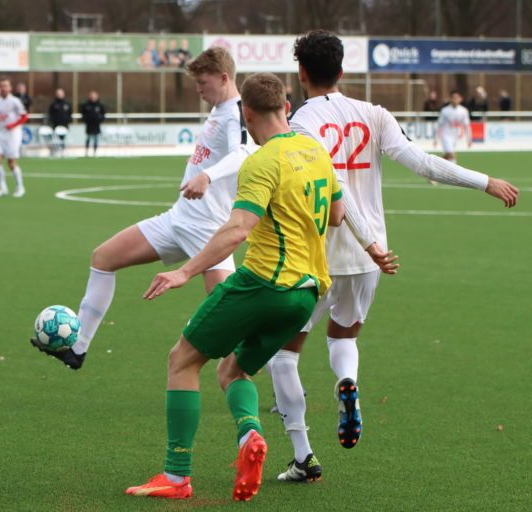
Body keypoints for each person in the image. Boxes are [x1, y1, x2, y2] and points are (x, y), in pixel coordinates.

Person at [262, 30, 518, 483]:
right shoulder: (374, 114)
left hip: (320, 253)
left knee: (283, 355)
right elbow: (423, 163)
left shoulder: (301, 123)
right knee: (344, 338)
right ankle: (347, 383)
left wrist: (367, 242)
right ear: (341, 71)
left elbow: (334, 188)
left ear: (302, 74)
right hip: (369, 258)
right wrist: (484, 181)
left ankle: (303, 456)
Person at [125, 73, 344, 501]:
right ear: (286, 105)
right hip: (305, 295)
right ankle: (250, 436)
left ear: (245, 113)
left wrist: (183, 272)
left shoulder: (261, 161)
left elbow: (238, 229)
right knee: (234, 369)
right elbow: (336, 216)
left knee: (182, 360)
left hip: (261, 284)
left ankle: (175, 475)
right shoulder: (316, 151)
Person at [31, 46, 247, 371]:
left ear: (224, 77)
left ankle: (276, 385)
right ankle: (77, 349)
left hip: (207, 230)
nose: (198, 89)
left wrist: (207, 175)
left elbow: (243, 153)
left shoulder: (236, 113)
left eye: (203, 82)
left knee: (231, 316)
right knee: (103, 257)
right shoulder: (219, 108)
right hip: (177, 220)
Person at [0, 78, 28, 197]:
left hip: (12, 134)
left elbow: (24, 117)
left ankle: (20, 186)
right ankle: (2, 187)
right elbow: (0, 117)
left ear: (10, 88)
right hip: (0, 133)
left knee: (11, 162)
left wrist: (13, 125)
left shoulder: (15, 101)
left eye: (6, 86)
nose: (3, 88)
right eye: (1, 86)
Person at [437, 90, 472, 163]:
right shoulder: (445, 110)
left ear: (460, 99)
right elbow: (439, 125)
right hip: (446, 135)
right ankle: (452, 171)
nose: (455, 100)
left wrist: (469, 139)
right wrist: (435, 138)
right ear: (450, 99)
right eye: (453, 98)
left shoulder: (463, 111)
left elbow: (466, 126)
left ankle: (437, 163)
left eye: (457, 98)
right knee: (451, 154)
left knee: (451, 158)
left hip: (455, 136)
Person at [80, 90, 106, 156]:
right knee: (88, 138)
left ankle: (95, 152)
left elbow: (103, 114)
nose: (93, 98)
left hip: (96, 125)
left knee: (96, 139)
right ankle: (87, 151)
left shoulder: (100, 105)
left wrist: (99, 120)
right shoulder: (86, 105)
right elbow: (82, 114)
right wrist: (86, 119)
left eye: (94, 96)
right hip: (89, 125)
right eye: (91, 96)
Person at [47, 88, 72, 156]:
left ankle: (63, 151)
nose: (59, 95)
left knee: (63, 139)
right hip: (55, 125)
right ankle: (56, 151)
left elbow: (70, 113)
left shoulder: (67, 104)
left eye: (61, 93)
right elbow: (51, 114)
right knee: (56, 139)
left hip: (65, 125)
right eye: (58, 94)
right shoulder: (53, 104)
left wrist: (68, 120)